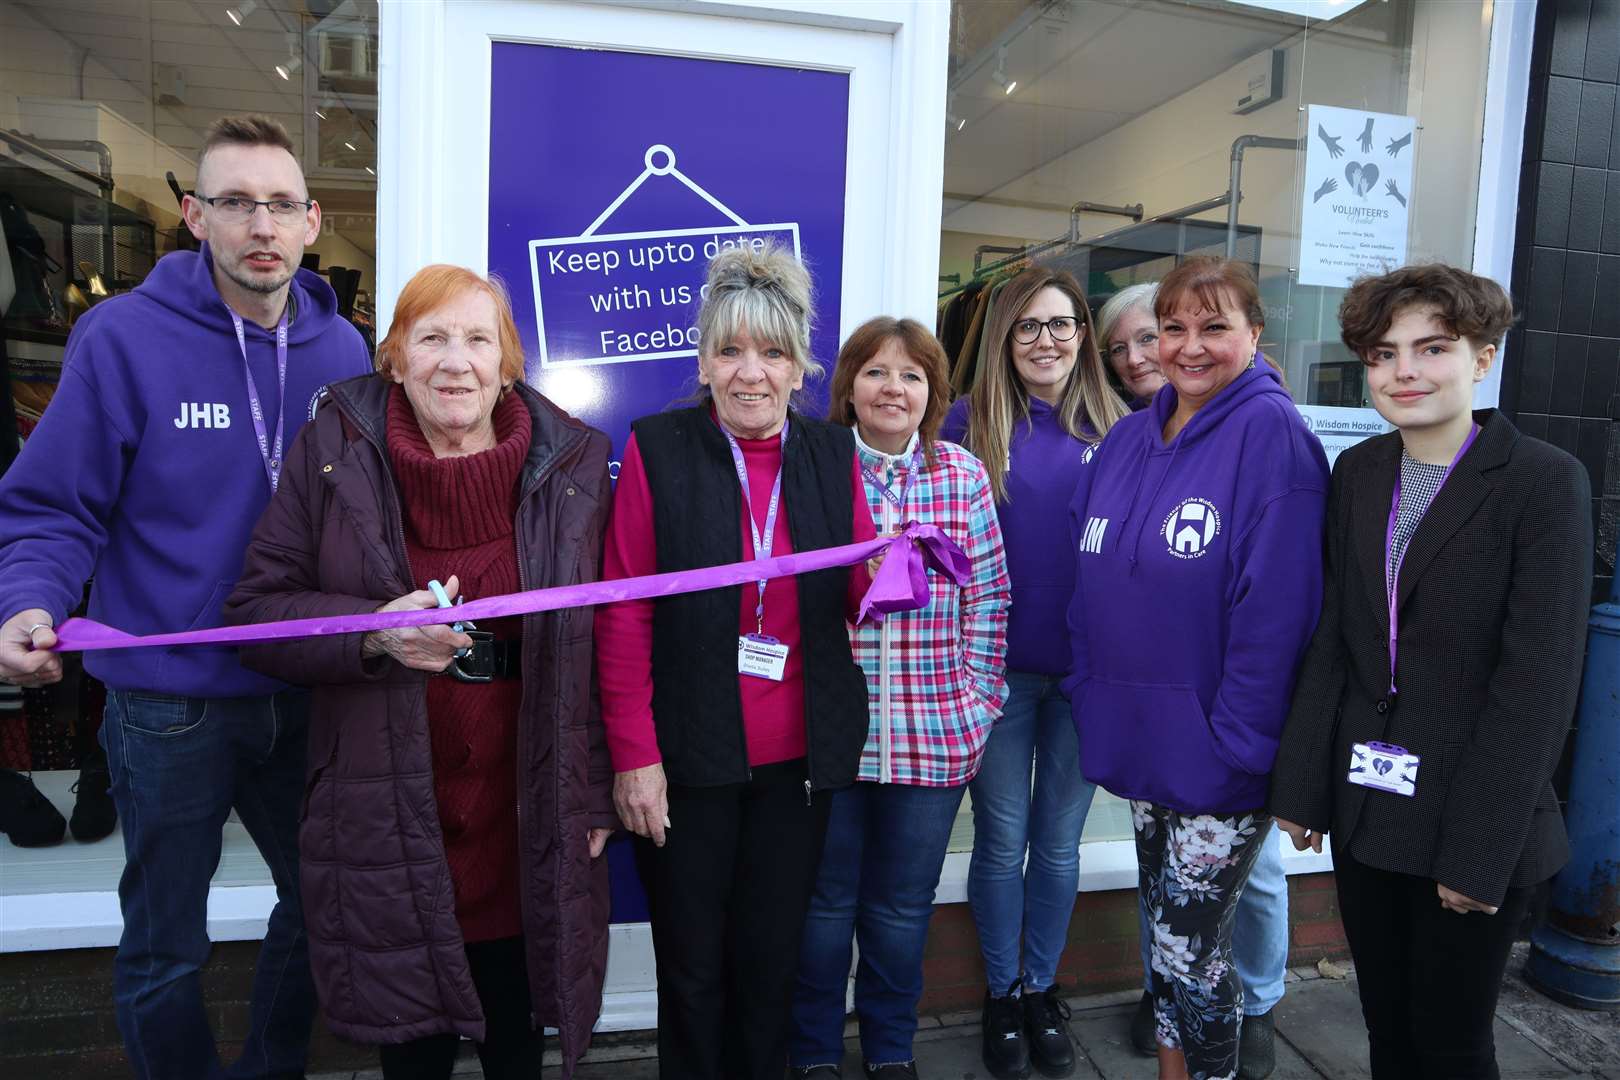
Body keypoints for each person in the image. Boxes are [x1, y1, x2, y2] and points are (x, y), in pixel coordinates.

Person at [0, 114, 370, 1080]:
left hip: (301, 689)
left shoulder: (345, 354)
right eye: (236, 202)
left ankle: (270, 1065)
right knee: (168, 942)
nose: (261, 224)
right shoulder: (121, 338)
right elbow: (53, 504)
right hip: (169, 696)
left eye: (281, 205)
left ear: (311, 220)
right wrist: (26, 601)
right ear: (193, 215)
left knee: (324, 901)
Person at [224, 264, 615, 1080]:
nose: (455, 361)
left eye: (478, 339)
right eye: (431, 338)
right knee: (413, 1045)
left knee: (516, 1036)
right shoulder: (335, 448)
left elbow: (604, 639)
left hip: (523, 797)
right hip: (388, 794)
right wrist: (375, 635)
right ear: (394, 357)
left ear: (509, 361)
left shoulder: (576, 462)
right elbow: (255, 613)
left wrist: (597, 782)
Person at [1270, 265, 1591, 1080]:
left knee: (1449, 1045)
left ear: (1482, 358)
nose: (1403, 371)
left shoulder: (1543, 481)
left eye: (1432, 348)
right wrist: (1305, 789)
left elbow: (1537, 686)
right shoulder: (1361, 472)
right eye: (1383, 354)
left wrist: (1477, 855)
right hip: (1370, 808)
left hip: (1470, 817)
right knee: (1387, 1029)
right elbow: (1337, 639)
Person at [595, 245, 878, 1080]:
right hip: (688, 759)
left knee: (770, 966)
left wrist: (896, 569)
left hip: (800, 762)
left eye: (773, 352)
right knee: (691, 970)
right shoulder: (658, 448)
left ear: (801, 368)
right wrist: (635, 757)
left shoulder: (833, 454)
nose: (750, 373)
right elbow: (624, 609)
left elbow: (855, 601)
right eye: (730, 350)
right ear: (703, 360)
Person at [1066, 256, 1328, 1080]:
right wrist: (1088, 689)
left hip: (1219, 753)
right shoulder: (1130, 436)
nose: (1188, 347)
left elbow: (1277, 614)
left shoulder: (1273, 438)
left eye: (1214, 327)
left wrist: (1239, 744)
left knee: (1191, 949)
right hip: (1144, 740)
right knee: (1167, 938)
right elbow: (1090, 576)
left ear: (1255, 334)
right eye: (1171, 328)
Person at [789, 318, 1012, 1080]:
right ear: (849, 388)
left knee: (899, 912)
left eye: (912, 376)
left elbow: (989, 600)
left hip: (933, 736)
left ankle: (890, 1051)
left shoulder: (962, 476)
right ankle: (814, 1052)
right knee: (822, 911)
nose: (894, 388)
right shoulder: (814, 469)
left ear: (933, 393)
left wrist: (978, 704)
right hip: (833, 739)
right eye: (877, 373)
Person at [941, 265, 1128, 1080]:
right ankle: (1003, 995)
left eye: (1061, 324)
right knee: (1001, 840)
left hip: (1087, 678)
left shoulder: (1123, 429)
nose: (1046, 340)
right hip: (998, 676)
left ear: (1083, 336)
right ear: (1003, 339)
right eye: (1028, 326)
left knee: (1057, 846)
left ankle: (1044, 989)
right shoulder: (962, 423)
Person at [1097, 283, 1166, 405]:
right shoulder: (1118, 423)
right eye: (1118, 349)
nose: (1133, 360)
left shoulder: (1209, 415)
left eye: (1147, 338)